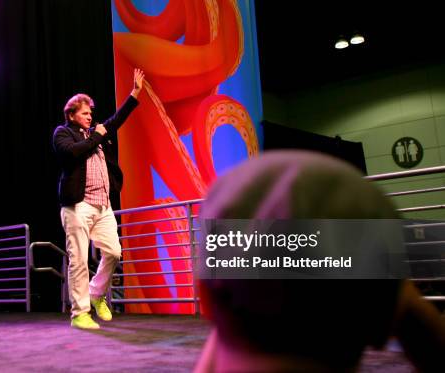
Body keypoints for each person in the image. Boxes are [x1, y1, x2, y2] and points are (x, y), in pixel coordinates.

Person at [194, 150, 445, 372]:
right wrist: (399, 300)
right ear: (390, 314)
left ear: (204, 299)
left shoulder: (215, 296)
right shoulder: (387, 305)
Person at [52, 68, 145, 330]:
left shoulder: (99, 134)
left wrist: (134, 95)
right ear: (71, 115)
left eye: (91, 113)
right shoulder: (63, 133)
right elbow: (73, 154)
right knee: (79, 259)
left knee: (115, 252)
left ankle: (96, 293)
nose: (90, 116)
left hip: (103, 205)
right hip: (77, 205)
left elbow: (116, 120)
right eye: (84, 113)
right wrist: (97, 135)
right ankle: (80, 313)